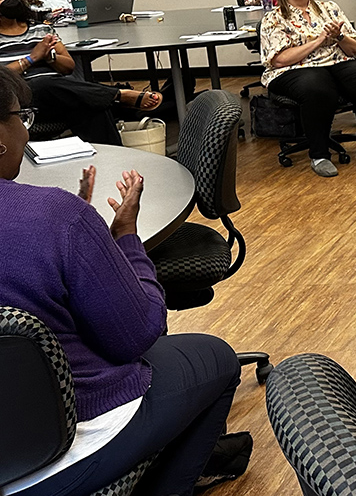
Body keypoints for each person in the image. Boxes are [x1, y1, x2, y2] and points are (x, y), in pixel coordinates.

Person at [0, 67, 249, 496]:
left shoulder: (55, 218)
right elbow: (136, 334)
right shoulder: (54, 216)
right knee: (218, 359)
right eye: (21, 118)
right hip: (62, 442)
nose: (27, 133)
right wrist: (123, 238)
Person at [260, 0, 356, 178]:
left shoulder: (329, 8)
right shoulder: (274, 18)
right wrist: (318, 41)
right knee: (318, 89)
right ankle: (319, 155)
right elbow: (279, 59)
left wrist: (338, 36)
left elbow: (354, 49)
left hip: (335, 61)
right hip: (293, 69)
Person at [1, 0, 161, 144]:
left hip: (59, 94)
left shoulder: (41, 29)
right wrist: (32, 58)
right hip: (19, 98)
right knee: (41, 83)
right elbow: (2, 79)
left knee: (93, 105)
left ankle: (115, 161)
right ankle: (117, 96)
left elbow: (68, 66)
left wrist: (50, 57)